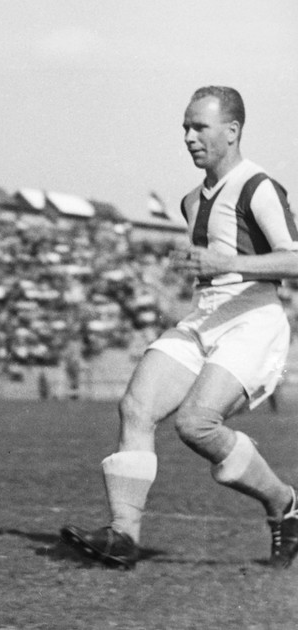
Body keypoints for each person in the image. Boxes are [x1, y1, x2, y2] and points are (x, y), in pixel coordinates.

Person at [61, 86, 298, 570]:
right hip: (205, 315)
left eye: (200, 127)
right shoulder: (191, 200)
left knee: (195, 424)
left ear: (232, 131)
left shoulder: (257, 187)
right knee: (136, 407)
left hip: (252, 318)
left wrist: (226, 262)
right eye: (185, 128)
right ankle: (123, 536)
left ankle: (284, 503)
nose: (189, 137)